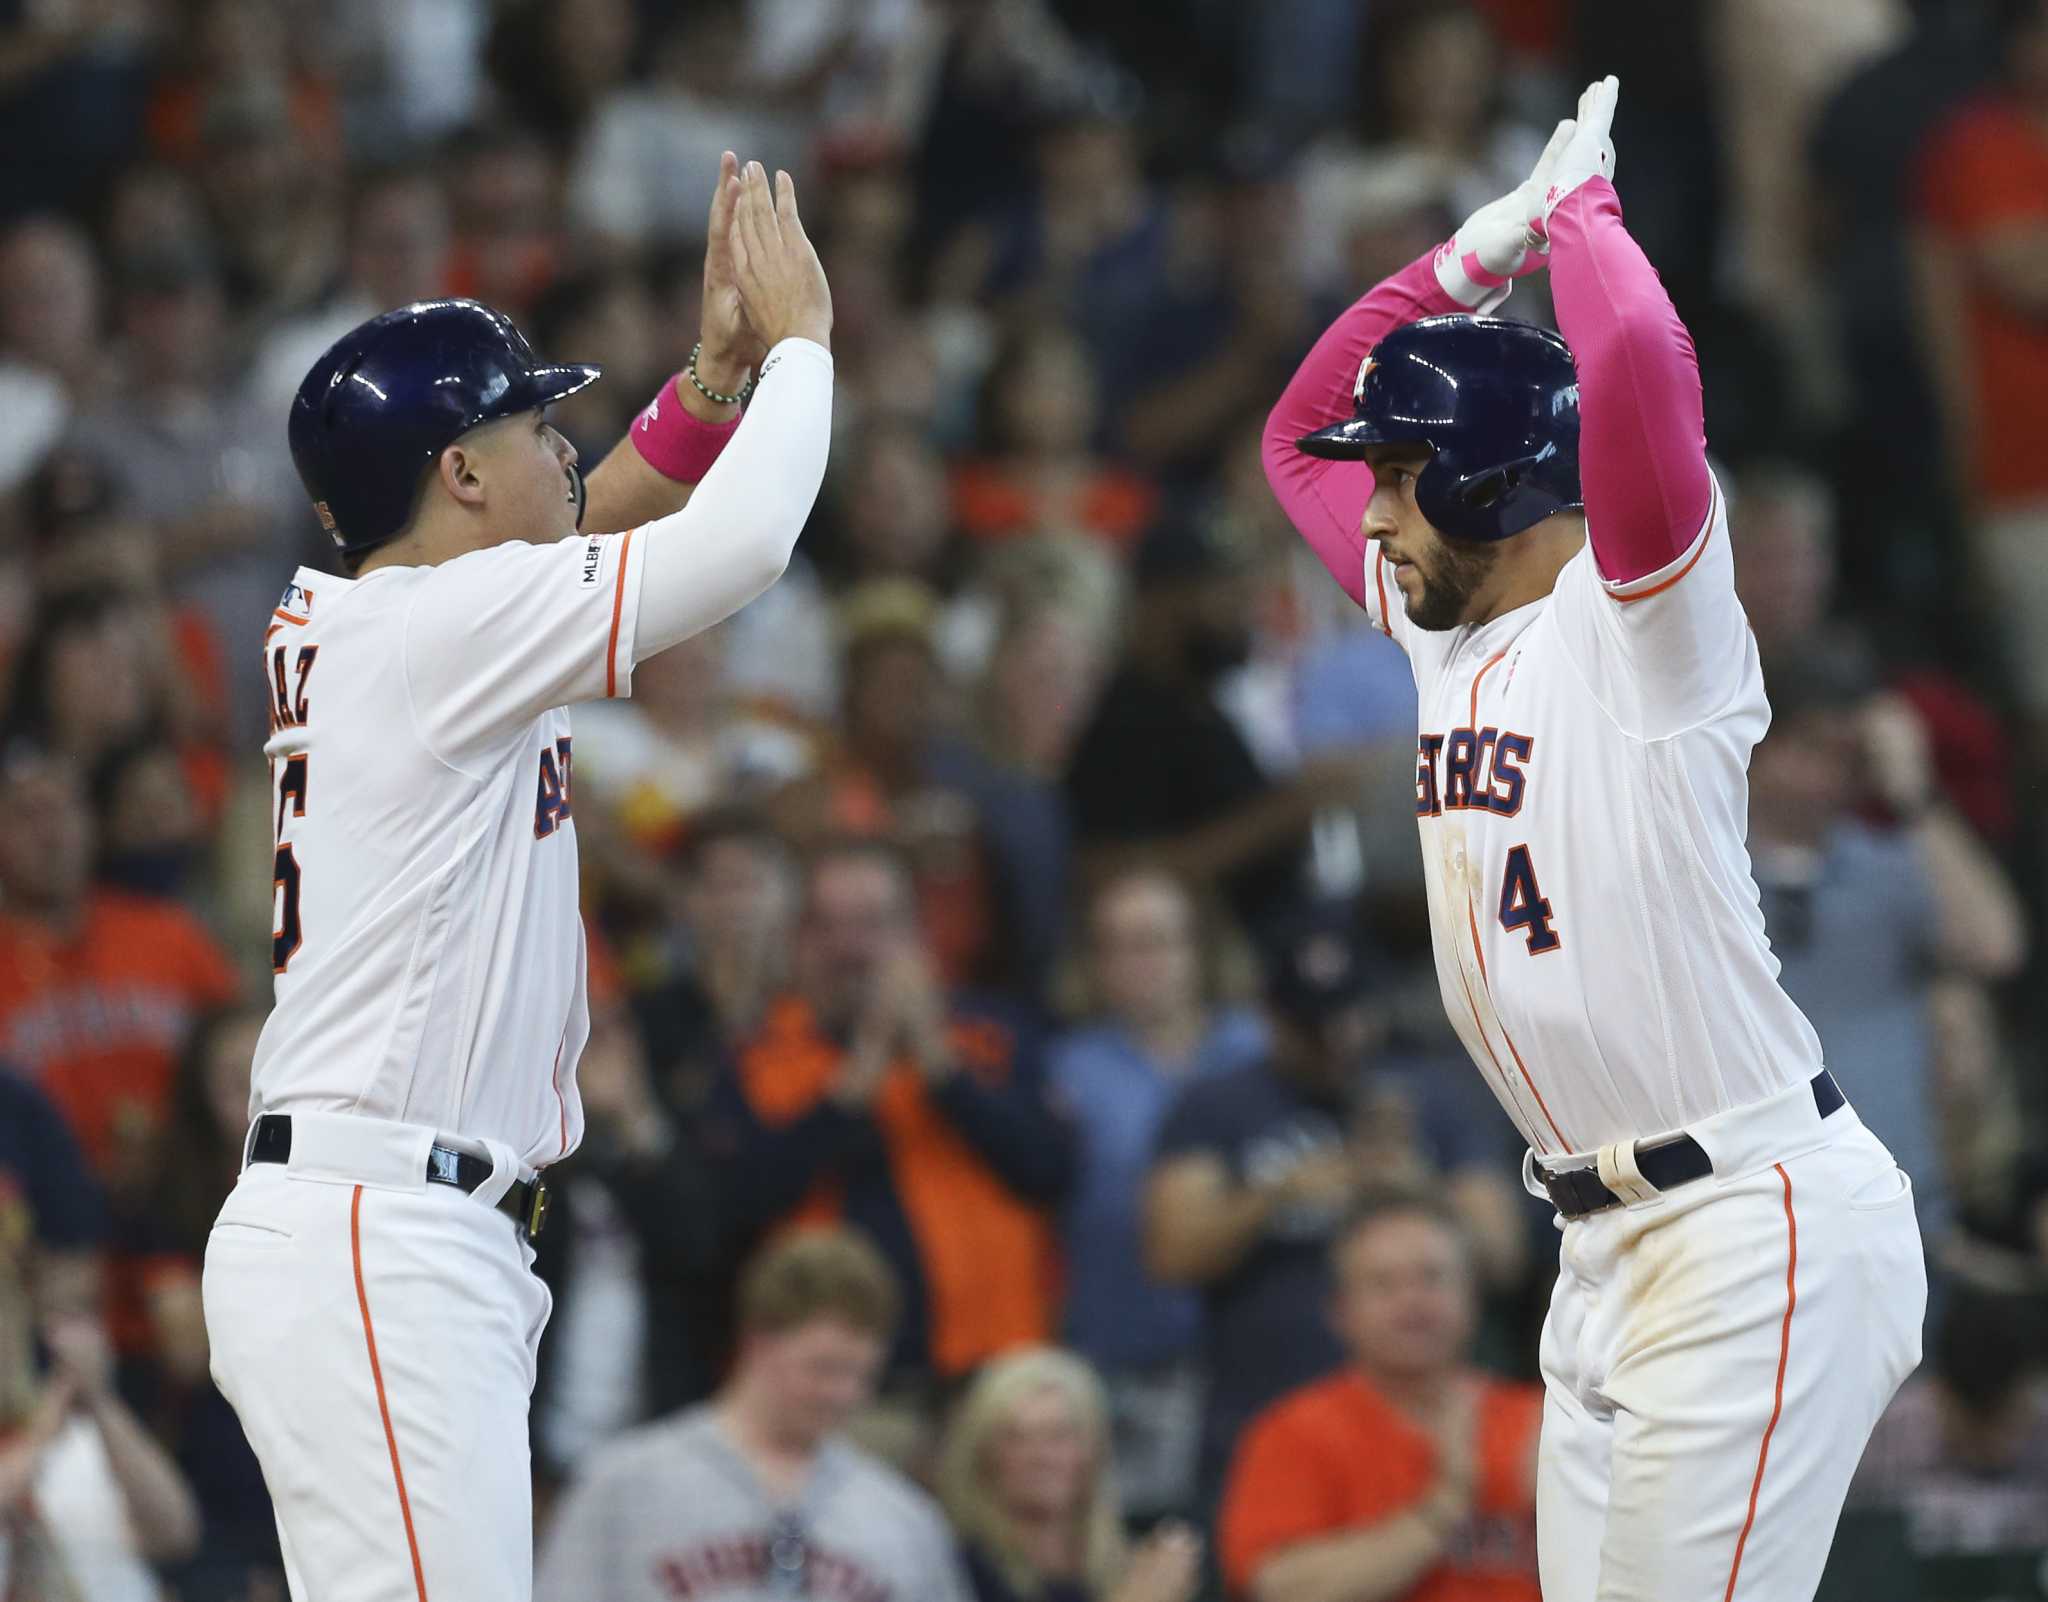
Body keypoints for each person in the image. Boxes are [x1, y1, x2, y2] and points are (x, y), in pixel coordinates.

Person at [1264, 79, 1924, 1601]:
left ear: (1501, 482)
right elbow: (1297, 436)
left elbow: (1631, 355)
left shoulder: (1648, 627)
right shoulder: (1445, 628)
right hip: (1601, 1241)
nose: (1370, 512)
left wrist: (1581, 216)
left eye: (1405, 476)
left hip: (1749, 1227)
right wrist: (1464, 263)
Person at [200, 155, 834, 1602]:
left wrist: (715, 394)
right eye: (533, 422)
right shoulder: (441, 629)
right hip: (383, 1227)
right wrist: (805, 346)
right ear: (459, 475)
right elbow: (742, 544)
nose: (564, 444)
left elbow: (601, 516)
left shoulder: (411, 612)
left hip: (390, 1225)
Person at [718, 839, 1075, 1385]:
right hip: (832, 1383)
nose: (851, 950)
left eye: (872, 924)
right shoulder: (760, 1054)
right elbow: (745, 1201)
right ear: (799, 939)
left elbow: (1047, 1170)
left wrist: (939, 1065)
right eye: (828, 927)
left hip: (999, 1372)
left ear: (915, 933)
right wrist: (860, 1072)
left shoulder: (993, 1035)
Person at [534, 1227, 970, 1602]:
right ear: (757, 1343)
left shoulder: (904, 1518)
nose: (844, 1393)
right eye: (824, 1368)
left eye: (861, 1375)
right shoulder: (624, 1485)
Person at [1141, 911, 1375, 1512]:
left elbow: (1501, 1250)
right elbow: (1172, 1253)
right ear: (1269, 1016)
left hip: (1402, 1406)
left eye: (1344, 1017)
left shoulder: (1412, 1094)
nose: (1332, 1040)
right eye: (1310, 1025)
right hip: (1259, 1400)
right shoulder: (1216, 1106)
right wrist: (1276, 1194)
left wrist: (1405, 1187)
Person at [1049, 869, 1265, 1518]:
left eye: (1155, 941)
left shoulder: (1258, 1049)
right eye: (1116, 946)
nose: (1137, 963)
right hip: (1123, 1355)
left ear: (1197, 949)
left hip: (1251, 1348)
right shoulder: (1067, 1069)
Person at [1219, 1196, 1541, 1602]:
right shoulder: (1293, 1432)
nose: (1413, 1302)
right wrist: (1443, 1506)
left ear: (1472, 1295)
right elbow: (1279, 1587)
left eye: (1432, 1277)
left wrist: (1572, 1499)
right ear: (1340, 1311)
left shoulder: (1545, 1419)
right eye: (1384, 1284)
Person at [0, 742, 240, 1198]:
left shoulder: (171, 934)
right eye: (27, 815)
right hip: (41, 1212)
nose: (51, 832)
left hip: (185, 1199)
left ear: (93, 823)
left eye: (65, 810)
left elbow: (247, 1058)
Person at [936, 1346, 1204, 1602]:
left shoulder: (1122, 1564)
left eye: (1059, 1436)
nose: (1041, 1457)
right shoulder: (959, 1567)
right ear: (984, 1454)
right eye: (1017, 1437)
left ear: (1094, 1450)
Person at [1849, 1290, 2048, 1558]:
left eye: (2007, 1419)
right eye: (1978, 1423)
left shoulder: (2041, 1430)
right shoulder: (1884, 1438)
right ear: (1940, 1392)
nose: (1994, 1445)